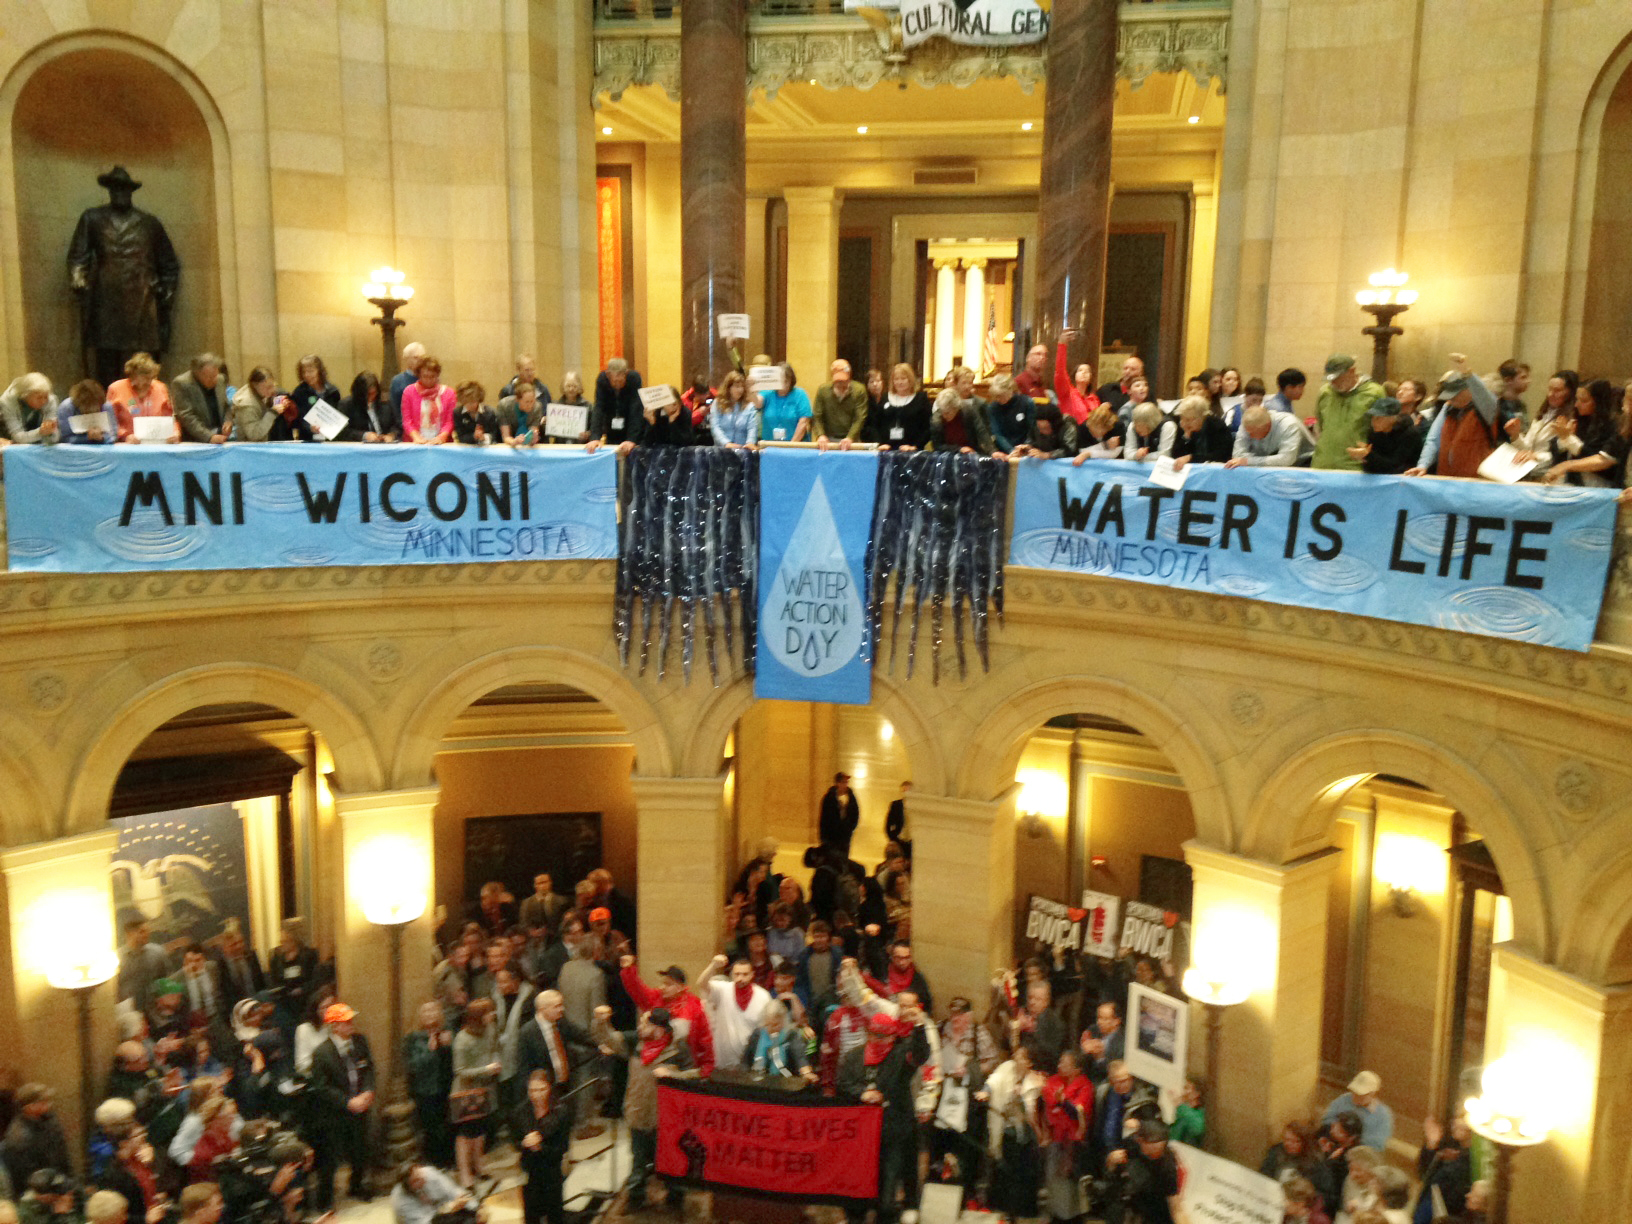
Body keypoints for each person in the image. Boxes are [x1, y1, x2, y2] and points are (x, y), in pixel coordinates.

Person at [68, 165, 181, 384]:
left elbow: (169, 264)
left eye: (124, 188)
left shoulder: (149, 223)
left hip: (143, 299)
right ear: (109, 190)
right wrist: (78, 278)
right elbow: (78, 256)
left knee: (144, 359)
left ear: (131, 191)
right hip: (106, 299)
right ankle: (110, 401)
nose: (120, 192)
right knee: (107, 360)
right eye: (115, 188)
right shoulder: (92, 218)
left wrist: (167, 292)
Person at [837, 1013, 930, 1224]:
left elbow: (920, 1054)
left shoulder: (900, 1056)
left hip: (892, 1132)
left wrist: (919, 1027)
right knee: (857, 1183)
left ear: (892, 1037)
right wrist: (862, 1093)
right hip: (860, 1135)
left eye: (884, 1037)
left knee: (888, 1189)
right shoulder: (853, 1056)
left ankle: (889, 1214)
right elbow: (843, 1083)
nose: (879, 1041)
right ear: (868, 1034)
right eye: (875, 1035)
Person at [306, 1002, 375, 1208]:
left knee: (360, 1150)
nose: (351, 1024)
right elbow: (321, 1087)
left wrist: (368, 1091)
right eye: (346, 1021)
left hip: (360, 1107)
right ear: (335, 1026)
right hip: (335, 1113)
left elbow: (368, 1068)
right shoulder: (321, 1053)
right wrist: (347, 1102)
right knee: (330, 1157)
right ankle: (325, 1199)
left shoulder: (360, 1042)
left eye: (351, 1020)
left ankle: (356, 1185)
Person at [619, 957, 716, 1076]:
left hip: (682, 1063)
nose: (662, 987)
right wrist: (629, 970)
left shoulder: (694, 1007)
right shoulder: (657, 997)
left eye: (668, 984)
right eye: (663, 983)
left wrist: (706, 1067)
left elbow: (705, 1039)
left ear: (680, 987)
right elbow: (638, 991)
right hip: (655, 1061)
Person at [1407, 356, 1501, 478]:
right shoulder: (1447, 408)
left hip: (1475, 481)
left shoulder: (1486, 409)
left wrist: (1468, 374)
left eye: (1455, 394)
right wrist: (1423, 465)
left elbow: (1484, 394)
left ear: (1469, 390)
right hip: (1446, 477)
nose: (1450, 399)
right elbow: (1433, 439)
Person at [985, 1043, 1044, 1222]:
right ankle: (1005, 1210)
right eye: (1017, 1055)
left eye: (1022, 1057)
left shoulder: (1035, 1082)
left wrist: (1020, 1099)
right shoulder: (1008, 1070)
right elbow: (994, 1081)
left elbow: (1032, 1114)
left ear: (1029, 1063)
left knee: (1023, 1173)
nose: (1017, 1058)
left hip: (1026, 1133)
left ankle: (1021, 1212)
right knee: (1005, 1171)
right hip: (1008, 1129)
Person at [1039, 1049, 1093, 1224]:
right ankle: (1055, 1215)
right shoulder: (1054, 1080)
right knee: (1053, 1180)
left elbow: (1078, 1113)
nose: (1059, 1065)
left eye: (1064, 1063)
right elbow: (1049, 1103)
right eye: (1060, 1061)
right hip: (1055, 1138)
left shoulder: (1085, 1086)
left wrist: (1063, 1102)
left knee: (1070, 1185)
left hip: (1073, 1144)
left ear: (1077, 1070)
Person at [450, 996, 499, 1188]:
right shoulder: (462, 1039)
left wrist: (495, 1061)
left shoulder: (490, 1029)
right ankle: (465, 1174)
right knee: (465, 1134)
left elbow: (493, 1048)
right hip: (466, 1092)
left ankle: (479, 1165)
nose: (493, 1015)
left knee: (480, 1131)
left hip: (485, 1089)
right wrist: (486, 1069)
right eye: (489, 1012)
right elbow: (460, 1071)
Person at [514, 1071, 571, 1224]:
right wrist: (524, 1143)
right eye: (532, 1090)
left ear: (550, 1089)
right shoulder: (521, 1111)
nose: (537, 1095)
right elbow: (515, 1141)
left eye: (541, 1090)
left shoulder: (560, 1112)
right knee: (531, 1215)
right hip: (530, 1170)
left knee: (554, 1215)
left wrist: (540, 1147)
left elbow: (563, 1147)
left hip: (551, 1169)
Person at [404, 1001, 455, 1169]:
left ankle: (448, 1160)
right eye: (426, 1011)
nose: (430, 1014)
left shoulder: (447, 1032)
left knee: (448, 1123)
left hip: (446, 1085)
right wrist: (430, 1050)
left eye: (433, 1010)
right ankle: (434, 1162)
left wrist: (450, 1045)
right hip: (425, 1089)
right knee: (431, 1128)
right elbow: (414, 1066)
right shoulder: (413, 1038)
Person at [698, 954, 770, 1070]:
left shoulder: (763, 996)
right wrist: (713, 965)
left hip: (750, 1060)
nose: (740, 978)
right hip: (722, 1059)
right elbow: (702, 984)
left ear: (752, 974)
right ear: (732, 974)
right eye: (737, 974)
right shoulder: (723, 990)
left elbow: (766, 1030)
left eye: (745, 974)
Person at [1104, 1118, 1182, 1224]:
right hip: (1129, 1202)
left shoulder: (1167, 1163)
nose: (1157, 1154)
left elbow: (1175, 1205)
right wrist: (1111, 1161)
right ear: (1140, 1140)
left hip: (1155, 1207)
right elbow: (1110, 1174)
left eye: (1160, 1149)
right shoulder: (1130, 1146)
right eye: (1152, 1150)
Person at [1313, 355, 1384, 470]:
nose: (1333, 382)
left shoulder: (1374, 393)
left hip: (1355, 466)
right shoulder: (1325, 392)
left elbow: (1383, 431)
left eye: (1338, 378)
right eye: (1330, 379)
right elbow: (1321, 425)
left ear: (1352, 371)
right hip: (1322, 464)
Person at [2, 1087, 70, 1191]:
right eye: (43, 1101)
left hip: (59, 1181)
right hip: (40, 1190)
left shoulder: (50, 1121)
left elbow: (62, 1155)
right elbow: (25, 1174)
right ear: (29, 1106)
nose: (49, 1104)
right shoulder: (19, 1135)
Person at [106, 352, 177, 443]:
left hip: (157, 443)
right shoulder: (116, 388)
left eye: (152, 377)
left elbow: (171, 418)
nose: (150, 381)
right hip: (126, 444)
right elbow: (109, 422)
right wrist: (124, 436)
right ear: (134, 375)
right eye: (146, 378)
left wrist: (175, 433)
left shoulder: (160, 388)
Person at [929, 371, 1001, 455]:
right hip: (947, 454)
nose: (944, 416)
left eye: (948, 413)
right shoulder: (936, 419)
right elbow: (937, 445)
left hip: (971, 452)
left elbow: (981, 431)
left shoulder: (968, 410)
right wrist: (959, 449)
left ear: (956, 408)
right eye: (943, 412)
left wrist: (992, 451)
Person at [866, 364, 933, 450]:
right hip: (886, 449)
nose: (899, 382)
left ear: (910, 380)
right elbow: (874, 424)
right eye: (896, 379)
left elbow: (928, 427)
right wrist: (879, 443)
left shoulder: (920, 399)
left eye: (903, 378)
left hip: (911, 450)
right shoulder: (885, 398)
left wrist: (915, 446)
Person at [1322, 1070, 1393, 1151]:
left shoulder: (1382, 1115)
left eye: (1360, 1094)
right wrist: (1335, 1128)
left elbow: (1378, 1143)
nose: (1355, 1096)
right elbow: (1327, 1119)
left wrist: (1353, 1140)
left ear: (1372, 1093)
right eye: (1354, 1091)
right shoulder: (1343, 1100)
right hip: (1333, 1145)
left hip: (1359, 1152)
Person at [1227, 402, 1311, 467]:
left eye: (1253, 433)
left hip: (1304, 463)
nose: (1250, 436)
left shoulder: (1289, 425)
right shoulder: (1247, 424)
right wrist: (1252, 461)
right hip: (1273, 465)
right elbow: (1237, 456)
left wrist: (1248, 461)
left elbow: (1287, 459)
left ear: (1267, 426)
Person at [117, 920, 173, 1018]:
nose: (147, 934)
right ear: (129, 934)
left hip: (155, 1010)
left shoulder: (157, 952)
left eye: (147, 931)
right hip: (130, 1014)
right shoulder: (117, 959)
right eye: (141, 932)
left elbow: (166, 978)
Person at [1355, 396, 1423, 474]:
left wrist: (1368, 455)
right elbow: (1369, 467)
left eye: (1379, 418)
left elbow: (1396, 467)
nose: (1373, 422)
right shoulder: (1374, 432)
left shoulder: (1410, 434)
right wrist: (1364, 456)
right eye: (1372, 417)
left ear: (1392, 418)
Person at [813, 359, 868, 446]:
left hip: (852, 440)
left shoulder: (859, 390)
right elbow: (817, 416)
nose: (840, 384)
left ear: (849, 377)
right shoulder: (823, 390)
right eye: (837, 381)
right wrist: (821, 435)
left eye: (843, 381)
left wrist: (850, 437)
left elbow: (859, 418)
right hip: (828, 439)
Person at [390, 1162, 468, 1224]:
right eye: (416, 1180)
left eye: (420, 1173)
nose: (423, 1179)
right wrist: (447, 1209)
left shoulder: (430, 1173)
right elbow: (423, 1222)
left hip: (446, 1215)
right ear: (408, 1186)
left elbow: (453, 1191)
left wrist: (464, 1199)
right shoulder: (401, 1200)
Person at [401, 356, 455, 444]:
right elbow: (407, 420)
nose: (429, 380)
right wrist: (416, 437)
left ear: (437, 375)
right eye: (425, 376)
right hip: (415, 442)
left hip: (441, 443)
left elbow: (450, 421)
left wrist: (441, 437)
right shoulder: (409, 392)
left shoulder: (449, 393)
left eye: (432, 376)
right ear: (419, 375)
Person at [592, 357, 643, 447]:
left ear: (626, 374)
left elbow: (636, 410)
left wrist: (631, 439)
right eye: (615, 381)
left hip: (629, 421)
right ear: (608, 375)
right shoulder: (602, 379)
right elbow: (599, 408)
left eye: (621, 381)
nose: (618, 384)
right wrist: (595, 438)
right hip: (611, 424)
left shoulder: (634, 378)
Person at [1170, 396, 1233, 467]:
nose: (1184, 423)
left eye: (1188, 419)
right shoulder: (1184, 426)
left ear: (1202, 417)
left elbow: (1221, 456)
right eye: (1182, 418)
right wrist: (1186, 436)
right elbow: (1175, 456)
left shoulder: (1217, 426)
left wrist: (1191, 458)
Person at [339, 370, 398, 442]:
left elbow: (396, 425)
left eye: (374, 393)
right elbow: (343, 432)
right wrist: (364, 435)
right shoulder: (346, 405)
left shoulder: (385, 403)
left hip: (385, 445)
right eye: (368, 394)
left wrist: (391, 435)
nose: (371, 397)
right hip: (359, 446)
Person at [0, 374, 59, 446]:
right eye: (39, 398)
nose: (43, 401)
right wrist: (40, 432)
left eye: (46, 397)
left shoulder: (51, 400)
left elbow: (54, 439)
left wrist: (50, 432)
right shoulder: (7, 402)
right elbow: (17, 437)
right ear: (25, 395)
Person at [758, 363, 812, 443]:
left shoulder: (800, 394)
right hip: (769, 443)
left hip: (795, 444)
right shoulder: (768, 393)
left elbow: (803, 422)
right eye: (779, 380)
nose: (783, 384)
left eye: (786, 381)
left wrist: (791, 445)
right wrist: (752, 389)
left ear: (791, 381)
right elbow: (757, 404)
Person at [709, 371, 760, 447]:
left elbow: (752, 428)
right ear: (728, 388)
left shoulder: (749, 406)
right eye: (737, 386)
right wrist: (726, 443)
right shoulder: (718, 403)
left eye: (742, 386)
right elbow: (715, 427)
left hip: (743, 448)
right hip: (722, 449)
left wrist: (750, 443)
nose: (740, 390)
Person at [987, 373, 1035, 453]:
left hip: (1025, 448)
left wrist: (1024, 447)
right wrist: (1011, 450)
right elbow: (997, 433)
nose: (998, 399)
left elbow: (1032, 430)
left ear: (1010, 390)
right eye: (996, 396)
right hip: (1003, 450)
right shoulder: (993, 407)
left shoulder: (1027, 403)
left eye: (1001, 395)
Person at [229, 367, 280, 443]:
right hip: (248, 446)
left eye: (272, 385)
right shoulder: (247, 405)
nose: (272, 390)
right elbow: (254, 435)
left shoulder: (260, 393)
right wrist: (273, 412)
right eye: (268, 387)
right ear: (255, 385)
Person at [819, 772, 861, 858]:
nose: (845, 785)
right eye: (843, 782)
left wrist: (850, 827)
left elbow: (855, 814)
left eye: (846, 782)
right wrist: (823, 837)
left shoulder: (851, 797)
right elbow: (824, 818)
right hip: (831, 836)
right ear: (837, 783)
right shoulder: (829, 798)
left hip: (845, 836)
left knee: (843, 858)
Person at [288, 355, 341, 422]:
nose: (306, 375)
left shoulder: (333, 391)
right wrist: (310, 426)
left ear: (319, 372)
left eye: (310, 371)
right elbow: (298, 418)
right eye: (304, 372)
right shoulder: (299, 392)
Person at [451, 381, 500, 445]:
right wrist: (473, 436)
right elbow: (460, 437)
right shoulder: (457, 413)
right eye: (465, 402)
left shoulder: (490, 412)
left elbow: (495, 435)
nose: (468, 406)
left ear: (479, 399)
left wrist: (484, 437)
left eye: (472, 402)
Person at [499, 379, 542, 445]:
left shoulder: (537, 408)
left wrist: (533, 439)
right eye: (527, 402)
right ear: (517, 400)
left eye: (532, 401)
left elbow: (532, 432)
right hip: (510, 442)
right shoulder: (504, 406)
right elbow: (506, 436)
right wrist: (514, 441)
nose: (530, 405)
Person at [389, 342, 426, 418]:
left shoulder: (428, 379)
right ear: (407, 359)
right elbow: (395, 410)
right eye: (416, 357)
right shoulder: (397, 381)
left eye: (422, 358)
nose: (420, 361)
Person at [1170, 1076, 1205, 1146]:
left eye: (1186, 1088)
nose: (1183, 1092)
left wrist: (1180, 1106)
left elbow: (1197, 1129)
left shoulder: (1198, 1113)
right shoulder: (1183, 1110)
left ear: (1196, 1093)